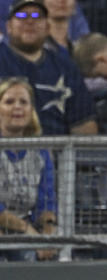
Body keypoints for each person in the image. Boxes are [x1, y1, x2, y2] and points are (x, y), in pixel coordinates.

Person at [0, 0, 97, 135]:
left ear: (47, 28)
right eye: (22, 16)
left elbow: (83, 123)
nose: (29, 21)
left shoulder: (66, 66)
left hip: (57, 152)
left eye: (37, 16)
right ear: (8, 26)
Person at [0, 77, 57, 262]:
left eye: (23, 102)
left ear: (31, 110)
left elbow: (46, 200)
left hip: (24, 229)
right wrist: (29, 232)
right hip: (18, 229)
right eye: (9, 102)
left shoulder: (40, 151)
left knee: (36, 257)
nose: (17, 107)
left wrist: (47, 236)